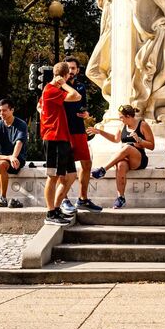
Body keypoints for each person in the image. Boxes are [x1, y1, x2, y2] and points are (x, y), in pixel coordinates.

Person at [38, 60, 82, 225]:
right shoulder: (51, 90)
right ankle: (50, 213)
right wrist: (64, 84)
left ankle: (56, 208)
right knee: (53, 176)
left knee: (70, 175)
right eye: (68, 75)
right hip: (53, 138)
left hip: (62, 138)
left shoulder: (52, 90)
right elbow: (76, 96)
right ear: (63, 76)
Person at [88, 104, 155, 209]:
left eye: (121, 117)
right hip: (126, 159)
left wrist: (140, 140)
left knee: (128, 147)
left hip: (139, 159)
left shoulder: (143, 125)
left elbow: (152, 146)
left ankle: (103, 169)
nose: (120, 119)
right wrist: (100, 132)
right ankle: (120, 197)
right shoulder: (122, 126)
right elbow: (115, 139)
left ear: (128, 116)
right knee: (120, 165)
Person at [60, 57, 102, 215]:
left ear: (78, 70)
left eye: (73, 68)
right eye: (68, 68)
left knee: (87, 164)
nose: (71, 71)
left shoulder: (81, 87)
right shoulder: (58, 87)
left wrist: (86, 114)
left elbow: (83, 107)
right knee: (64, 167)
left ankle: (82, 199)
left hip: (78, 129)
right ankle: (63, 199)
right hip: (63, 131)